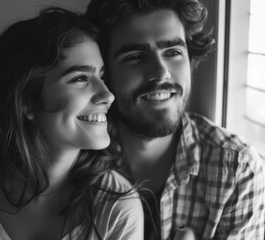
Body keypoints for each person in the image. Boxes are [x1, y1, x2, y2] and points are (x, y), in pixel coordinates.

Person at [0, 7, 144, 240]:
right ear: (27, 101)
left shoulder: (118, 209)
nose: (107, 95)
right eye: (80, 78)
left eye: (101, 77)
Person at [85, 0, 265, 239]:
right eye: (135, 56)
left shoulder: (236, 171)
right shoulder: (76, 161)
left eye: (173, 52)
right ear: (104, 72)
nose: (160, 73)